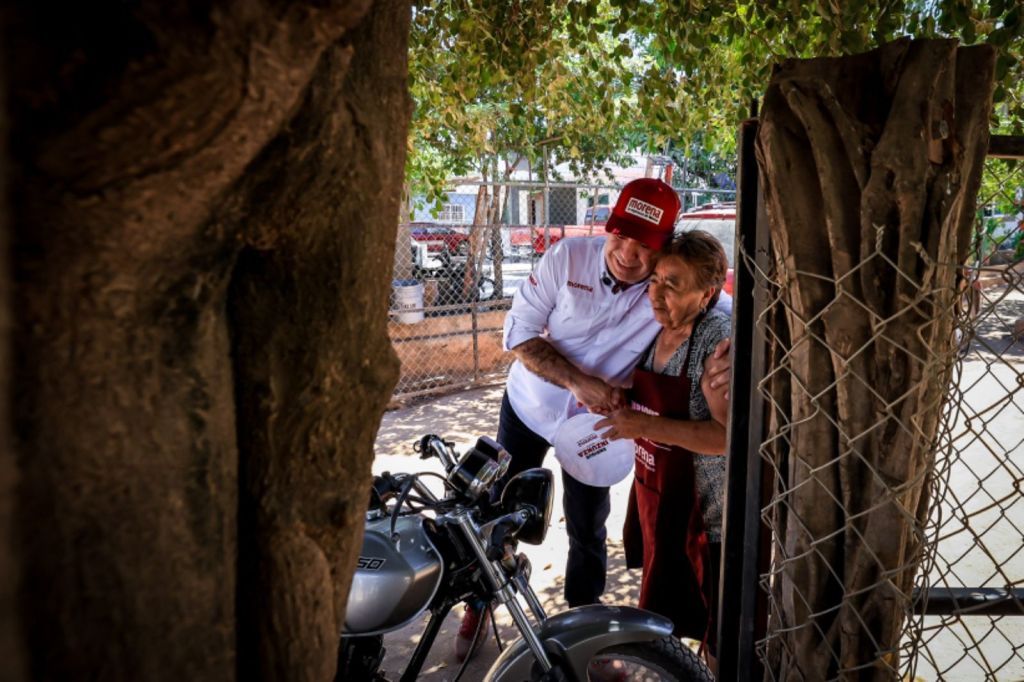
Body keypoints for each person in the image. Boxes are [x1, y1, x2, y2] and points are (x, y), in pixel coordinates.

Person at [454, 178, 731, 661]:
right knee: (498, 510)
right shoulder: (566, 258)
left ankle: (586, 631)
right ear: (608, 227)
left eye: (644, 245)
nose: (628, 253)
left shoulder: (667, 284)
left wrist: (734, 354)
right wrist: (577, 381)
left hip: (599, 427)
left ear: (662, 246)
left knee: (588, 527)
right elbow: (519, 331)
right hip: (530, 407)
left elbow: (721, 305)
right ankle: (479, 600)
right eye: (620, 235)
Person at [595, 230, 731, 665]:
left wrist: (643, 424)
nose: (655, 293)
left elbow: (725, 437)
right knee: (668, 615)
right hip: (660, 499)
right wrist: (625, 403)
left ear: (706, 294)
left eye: (673, 284)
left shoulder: (716, 342)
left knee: (716, 631)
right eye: (655, 280)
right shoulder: (659, 331)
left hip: (706, 517)